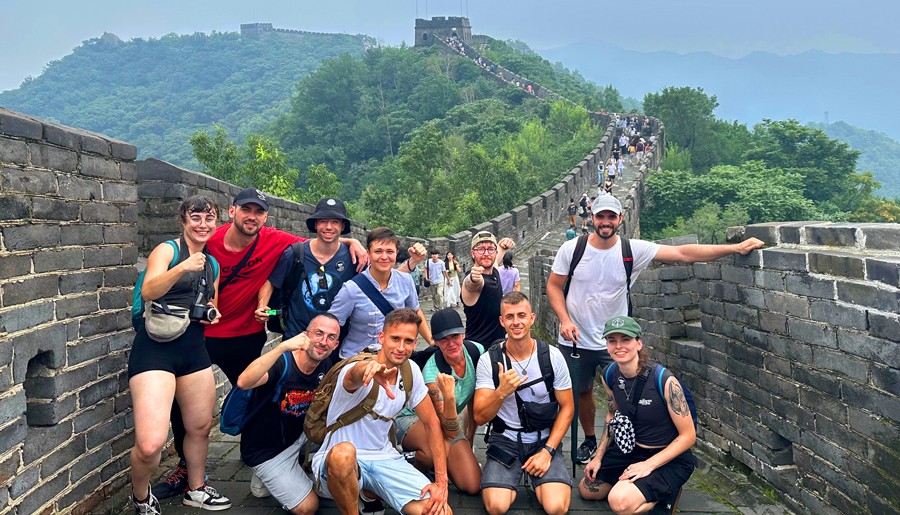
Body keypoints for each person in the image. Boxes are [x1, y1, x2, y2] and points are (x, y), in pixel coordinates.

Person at [155, 188, 370, 499]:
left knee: (259, 398)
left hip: (245, 336)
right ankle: (186, 469)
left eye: (258, 212)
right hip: (201, 334)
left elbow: (320, 241)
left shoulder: (274, 240)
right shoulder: (210, 240)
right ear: (232, 211)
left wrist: (351, 242)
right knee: (182, 402)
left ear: (265, 217)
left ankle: (258, 453)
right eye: (246, 210)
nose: (251, 217)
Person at [545, 195, 764, 464]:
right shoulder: (572, 249)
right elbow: (554, 286)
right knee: (582, 392)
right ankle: (590, 439)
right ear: (592, 218)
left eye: (611, 217)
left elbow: (683, 254)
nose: (605, 222)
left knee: (625, 393)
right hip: (575, 339)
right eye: (600, 216)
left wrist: (735, 248)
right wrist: (565, 320)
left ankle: (622, 446)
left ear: (620, 219)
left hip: (617, 341)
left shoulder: (631, 249)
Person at [128, 195, 230, 513]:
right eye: (195, 217)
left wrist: (212, 313)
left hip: (193, 349)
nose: (202, 224)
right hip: (155, 350)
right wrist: (184, 266)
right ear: (183, 221)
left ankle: (195, 489)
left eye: (209, 218)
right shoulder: (168, 251)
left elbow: (209, 304)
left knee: (199, 426)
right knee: (150, 445)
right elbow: (149, 290)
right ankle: (141, 497)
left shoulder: (212, 264)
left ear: (217, 223)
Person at [311, 309, 451, 515]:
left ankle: (368, 494)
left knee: (441, 511)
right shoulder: (356, 367)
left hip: (384, 458)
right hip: (336, 464)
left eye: (408, 341)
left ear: (415, 343)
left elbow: (431, 423)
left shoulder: (410, 370)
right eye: (395, 339)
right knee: (343, 455)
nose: (401, 347)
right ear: (381, 337)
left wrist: (441, 483)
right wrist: (367, 370)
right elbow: (353, 376)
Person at [579, 316, 696, 514]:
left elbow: (689, 436)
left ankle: (667, 493)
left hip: (667, 456)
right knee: (588, 489)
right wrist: (598, 457)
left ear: (638, 343)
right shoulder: (609, 374)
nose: (619, 346)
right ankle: (638, 487)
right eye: (612, 341)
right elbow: (612, 417)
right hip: (631, 450)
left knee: (619, 503)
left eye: (625, 340)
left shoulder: (664, 380)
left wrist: (647, 466)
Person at [473, 292, 574, 515]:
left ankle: (541, 475)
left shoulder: (552, 356)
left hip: (543, 438)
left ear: (532, 318)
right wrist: (501, 392)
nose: (516, 322)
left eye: (521, 315)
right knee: (496, 507)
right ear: (502, 321)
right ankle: (516, 475)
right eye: (510, 317)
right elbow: (479, 417)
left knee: (556, 507)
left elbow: (567, 407)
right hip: (506, 439)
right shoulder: (489, 360)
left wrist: (548, 451)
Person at [235, 314, 341, 513]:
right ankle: (268, 474)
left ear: (335, 345)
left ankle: (298, 469)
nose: (323, 341)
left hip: (300, 436)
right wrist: (282, 347)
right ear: (305, 335)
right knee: (308, 507)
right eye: (318, 333)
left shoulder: (325, 365)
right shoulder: (283, 363)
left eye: (331, 337)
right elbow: (244, 382)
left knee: (344, 437)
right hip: (266, 450)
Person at [395, 308, 483, 494]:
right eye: (443, 339)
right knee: (431, 451)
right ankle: (414, 470)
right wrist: (449, 397)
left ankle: (439, 460)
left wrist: (469, 439)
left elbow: (474, 402)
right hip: (413, 418)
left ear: (463, 334)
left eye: (455, 336)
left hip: (446, 423)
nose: (451, 343)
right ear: (435, 341)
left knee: (472, 485)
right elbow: (449, 429)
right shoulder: (432, 374)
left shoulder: (477, 352)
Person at [254, 198, 357, 339]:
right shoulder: (295, 254)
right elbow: (272, 281)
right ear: (315, 224)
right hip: (296, 336)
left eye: (335, 222)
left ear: (342, 226)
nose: (328, 227)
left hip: (333, 341)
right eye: (323, 221)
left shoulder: (353, 258)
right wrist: (262, 306)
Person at [330, 227, 433, 358]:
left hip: (395, 356)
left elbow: (415, 312)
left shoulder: (405, 281)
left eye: (390, 251)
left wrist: (431, 341)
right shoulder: (351, 289)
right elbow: (332, 323)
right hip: (358, 358)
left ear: (396, 253)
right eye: (378, 251)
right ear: (368, 254)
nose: (384, 257)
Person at [462, 231, 514, 348]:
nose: (486, 253)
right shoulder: (474, 280)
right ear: (473, 253)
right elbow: (470, 284)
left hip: (498, 346)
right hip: (478, 349)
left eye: (490, 249)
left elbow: (497, 254)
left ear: (495, 252)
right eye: (480, 249)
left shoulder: (494, 271)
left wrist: (503, 246)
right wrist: (473, 278)